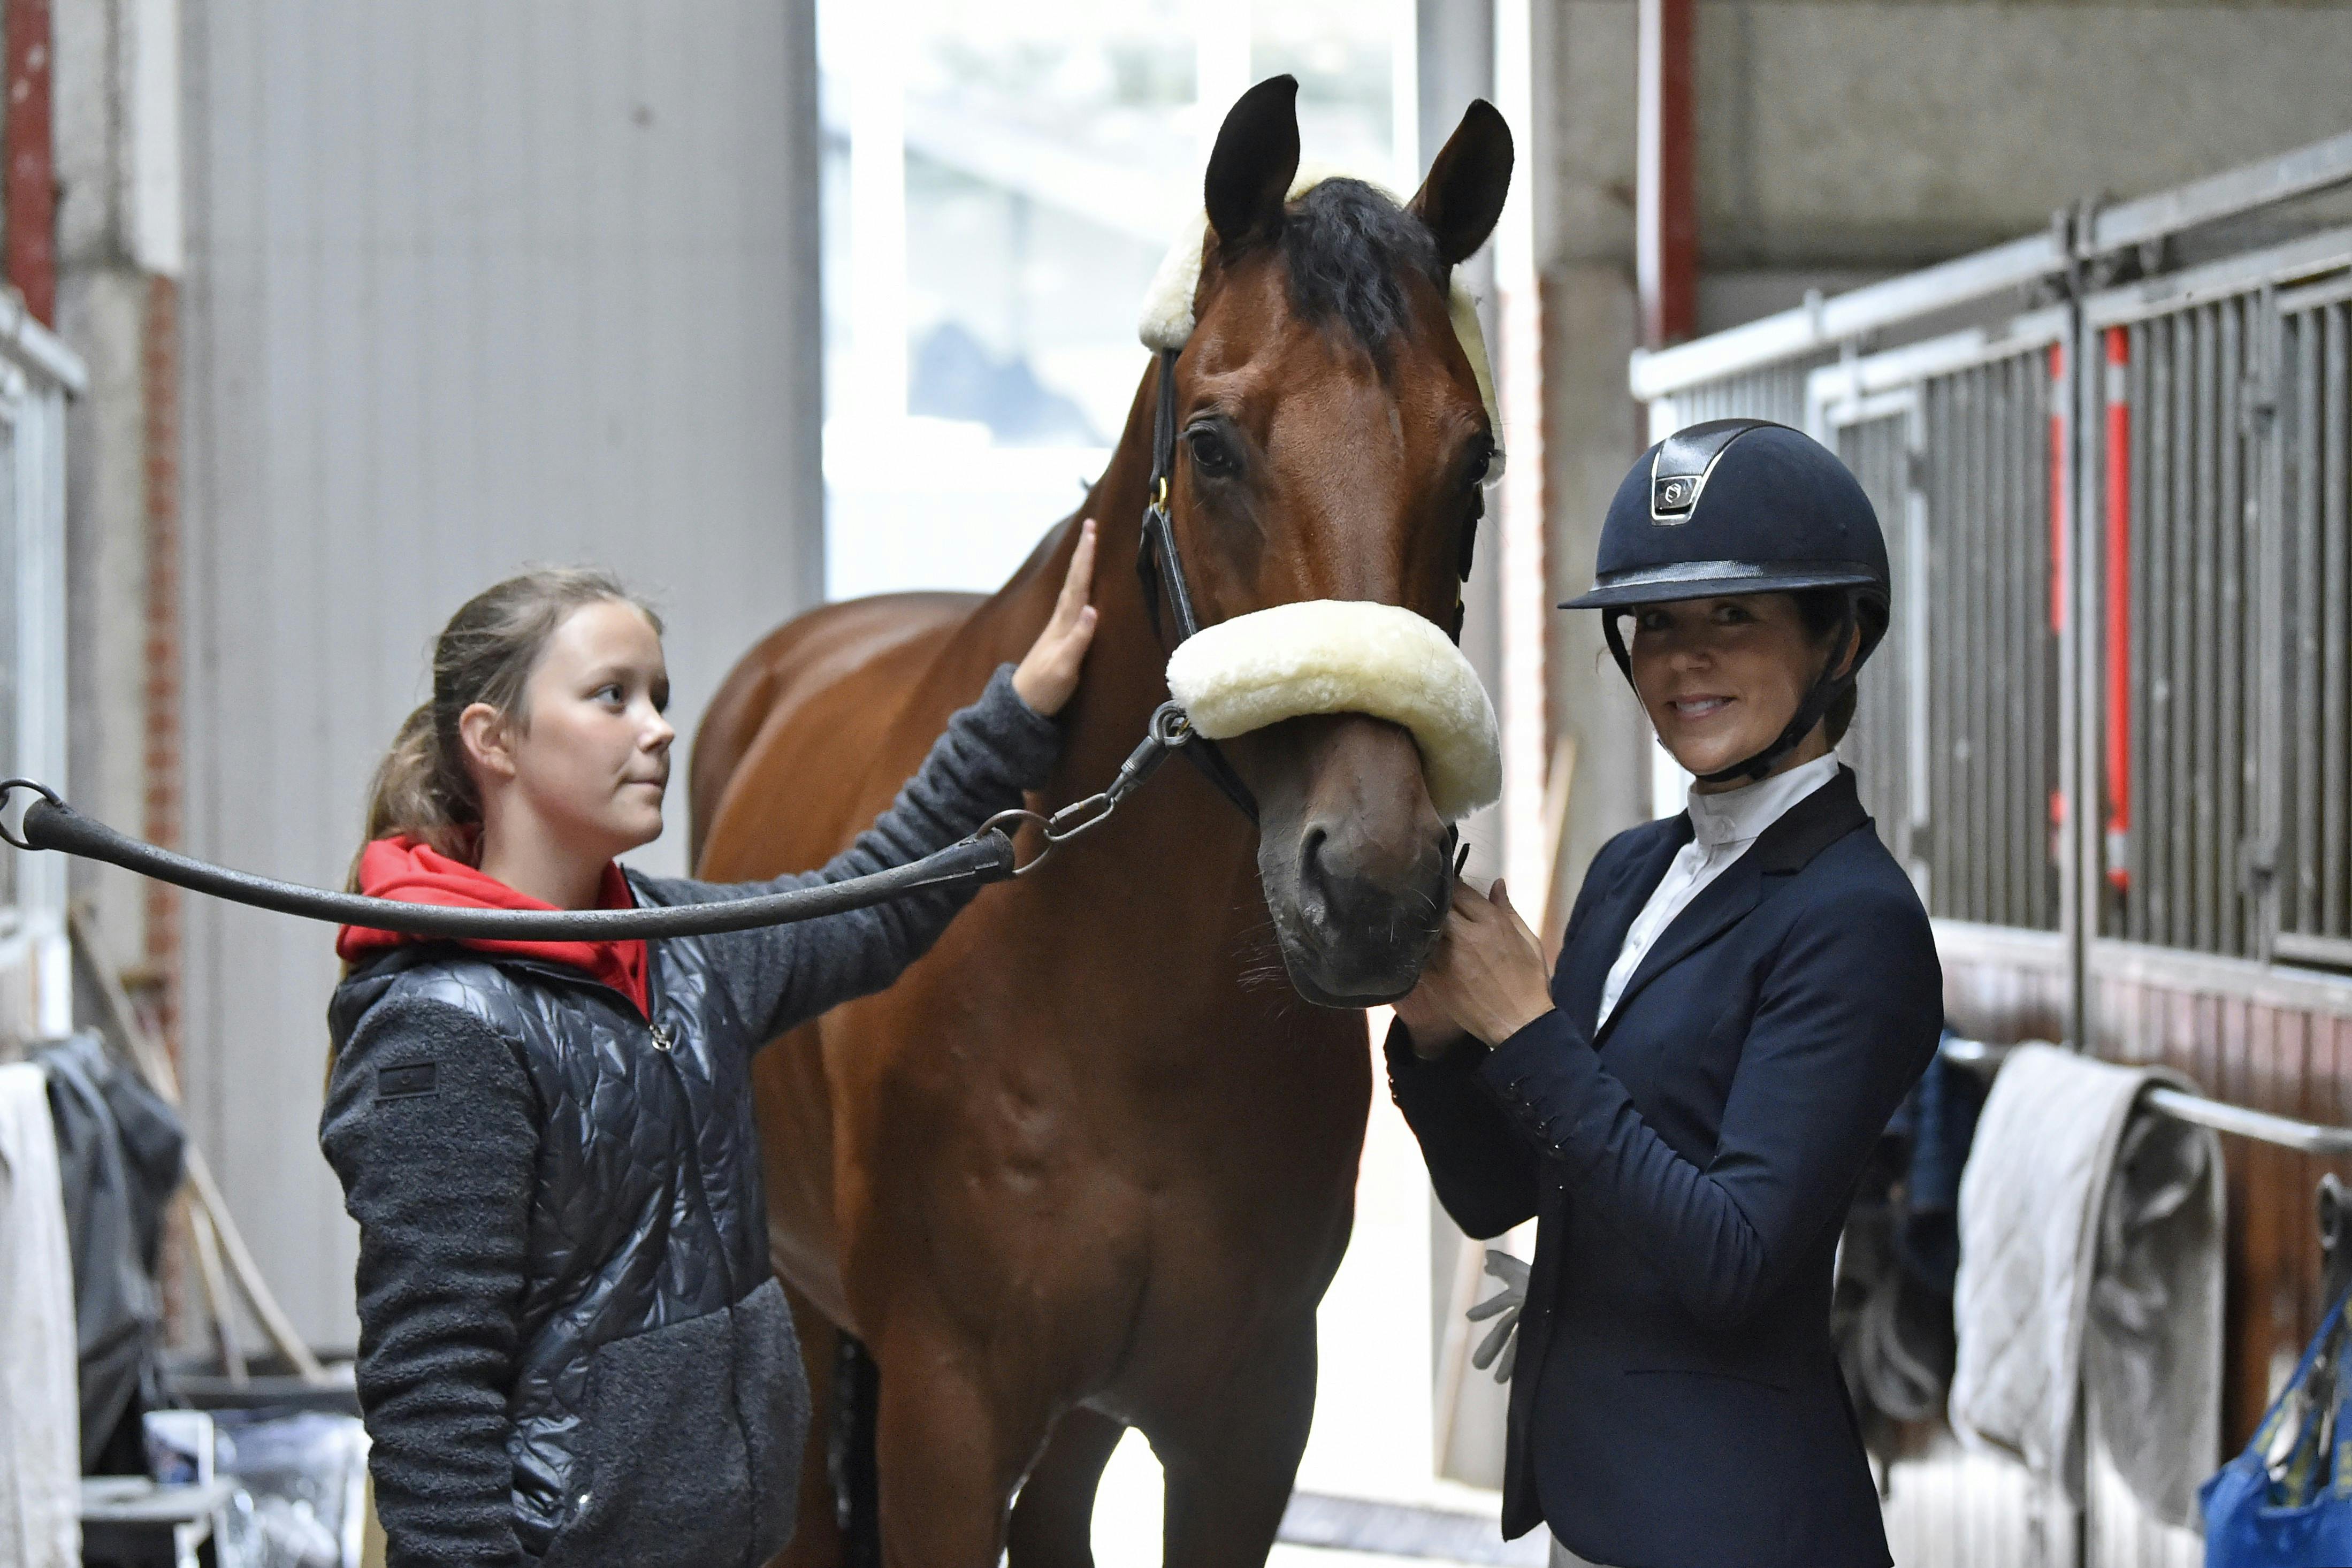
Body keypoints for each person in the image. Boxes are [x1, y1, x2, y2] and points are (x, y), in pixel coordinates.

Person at [318, 524, 1099, 1568]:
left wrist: (1018, 712)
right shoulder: (442, 1021)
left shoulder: (677, 946)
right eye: (612, 696)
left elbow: (866, 901)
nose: (660, 729)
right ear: (493, 739)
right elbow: (431, 1397)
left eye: (659, 693)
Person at [1388, 420, 1943, 1568]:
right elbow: (1499, 1191)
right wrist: (1440, 1041)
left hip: (1733, 1522)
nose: (1682, 659)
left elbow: (1735, 1256)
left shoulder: (1856, 920)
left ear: (1835, 636)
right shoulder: (1629, 870)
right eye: (1654, 624)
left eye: (1730, 617)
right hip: (1591, 1510)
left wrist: (1526, 1028)